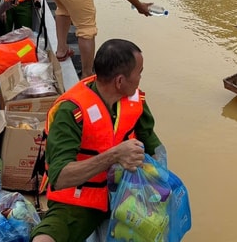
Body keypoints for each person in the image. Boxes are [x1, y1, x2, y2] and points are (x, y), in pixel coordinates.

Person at [32, 39, 164, 242]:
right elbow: (60, 177)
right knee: (45, 238)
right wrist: (115, 155)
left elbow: (154, 147)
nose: (140, 78)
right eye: (139, 73)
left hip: (126, 193)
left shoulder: (134, 100)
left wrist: (159, 186)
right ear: (120, 81)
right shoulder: (72, 111)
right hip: (82, 199)